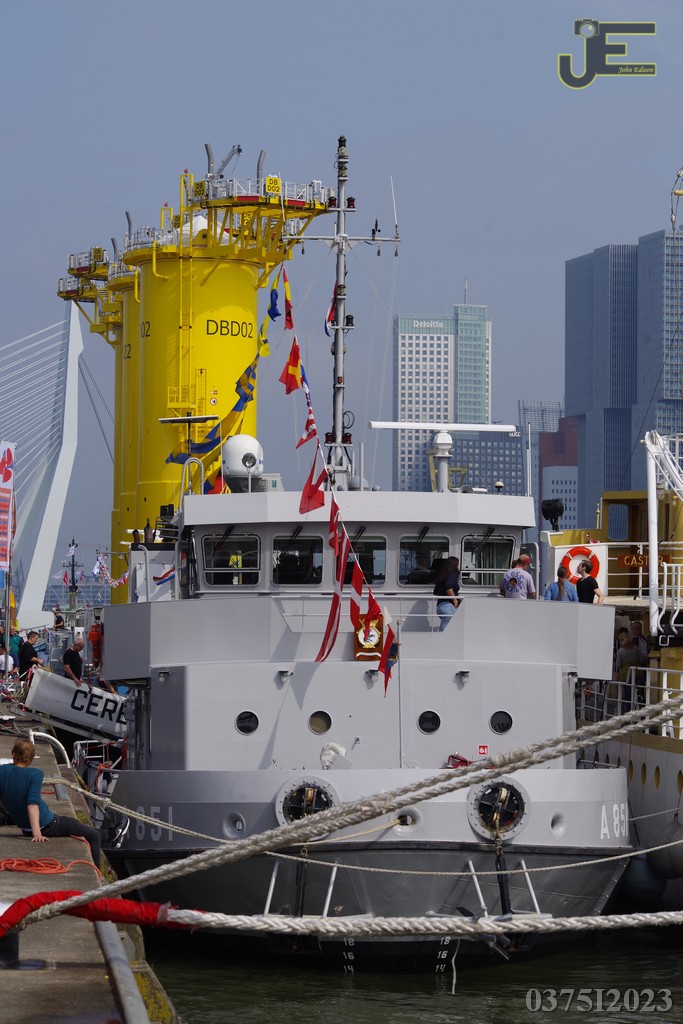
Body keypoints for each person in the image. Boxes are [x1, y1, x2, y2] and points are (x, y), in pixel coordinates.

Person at [0, 739, 101, 865]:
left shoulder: (2, 771)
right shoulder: (35, 774)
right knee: (94, 835)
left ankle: (109, 834)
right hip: (47, 825)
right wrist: (37, 833)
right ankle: (98, 872)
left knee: (73, 823)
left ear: (13, 754)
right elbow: (32, 804)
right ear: (31, 758)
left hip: (25, 828)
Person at [433, 556, 460, 631]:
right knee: (444, 632)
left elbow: (435, 592)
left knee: (449, 630)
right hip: (448, 607)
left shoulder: (442, 575)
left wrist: (443, 594)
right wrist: (455, 600)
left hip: (440, 606)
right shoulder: (452, 574)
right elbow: (448, 586)